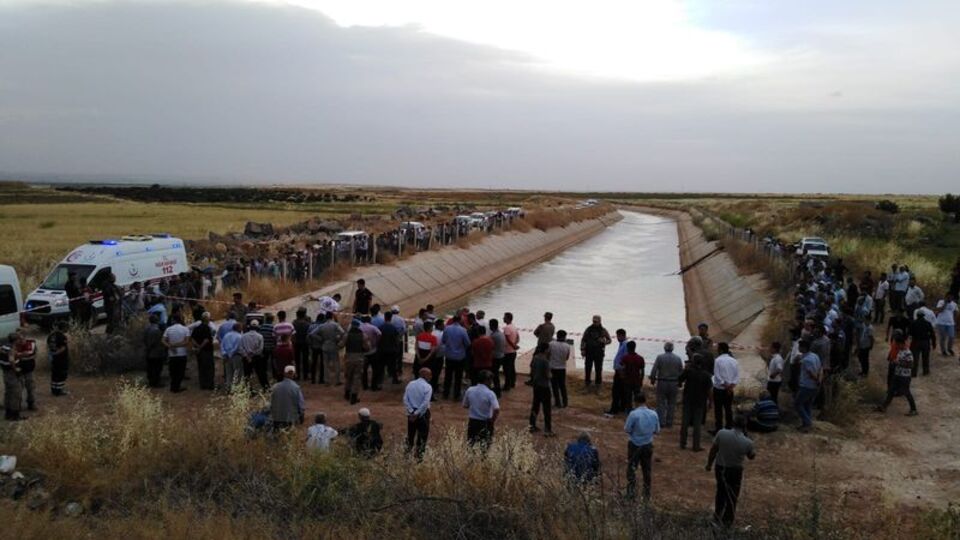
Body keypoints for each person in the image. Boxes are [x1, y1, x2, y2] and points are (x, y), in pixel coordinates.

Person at [706, 415, 756, 528]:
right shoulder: (747, 442)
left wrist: (709, 464)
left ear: (733, 423)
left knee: (720, 492)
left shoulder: (722, 433)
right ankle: (728, 521)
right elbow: (751, 456)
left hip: (720, 467)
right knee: (733, 495)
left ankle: (717, 516)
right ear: (745, 427)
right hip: (736, 470)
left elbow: (713, 450)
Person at [624, 392, 660, 500]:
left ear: (636, 402)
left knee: (632, 469)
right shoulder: (653, 414)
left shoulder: (633, 414)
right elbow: (657, 430)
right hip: (648, 444)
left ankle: (631, 493)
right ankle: (646, 494)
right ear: (645, 401)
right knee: (647, 470)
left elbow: (627, 429)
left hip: (635, 444)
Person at [877, 334, 918, 416]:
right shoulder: (901, 351)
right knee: (891, 391)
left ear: (902, 343)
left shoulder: (908, 353)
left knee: (906, 392)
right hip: (898, 374)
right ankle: (884, 406)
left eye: (898, 344)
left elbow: (910, 365)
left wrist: (898, 363)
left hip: (905, 376)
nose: (897, 346)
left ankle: (914, 409)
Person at [679, 356, 712, 451]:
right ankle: (696, 446)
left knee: (685, 422)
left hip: (688, 400)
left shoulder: (688, 371)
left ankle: (682, 443)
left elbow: (679, 380)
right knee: (697, 425)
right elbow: (710, 390)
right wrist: (710, 402)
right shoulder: (706, 375)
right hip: (700, 402)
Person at [463, 370, 500, 448]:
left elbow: (465, 405)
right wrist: (492, 420)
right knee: (485, 447)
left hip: (473, 422)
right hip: (485, 422)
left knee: (471, 445)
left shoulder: (470, 390)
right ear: (487, 380)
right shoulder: (490, 393)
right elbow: (496, 409)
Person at [650, 342, 684, 428]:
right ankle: (669, 422)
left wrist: (653, 379)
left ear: (664, 348)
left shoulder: (660, 357)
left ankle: (661, 422)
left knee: (661, 402)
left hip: (662, 382)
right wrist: (680, 382)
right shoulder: (678, 358)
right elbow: (681, 372)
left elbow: (654, 369)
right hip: (673, 383)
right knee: (672, 403)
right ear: (672, 349)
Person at [404, 367, 433, 459]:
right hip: (422, 414)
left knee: (410, 435)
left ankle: (406, 456)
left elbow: (405, 399)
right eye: (430, 374)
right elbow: (425, 403)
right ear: (425, 375)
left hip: (411, 413)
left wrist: (411, 411)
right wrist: (417, 413)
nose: (431, 376)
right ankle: (419, 458)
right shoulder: (427, 387)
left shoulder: (410, 384)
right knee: (422, 437)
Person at [794, 339, 822, 432]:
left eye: (800, 347)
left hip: (807, 386)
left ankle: (807, 422)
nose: (798, 348)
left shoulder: (806, 360)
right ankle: (806, 424)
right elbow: (819, 369)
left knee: (797, 404)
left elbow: (811, 373)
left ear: (804, 348)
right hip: (814, 387)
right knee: (807, 405)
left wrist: (817, 380)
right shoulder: (814, 356)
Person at [711, 343, 739, 433]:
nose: (717, 350)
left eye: (718, 349)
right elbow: (736, 376)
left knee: (718, 410)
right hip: (730, 389)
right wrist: (730, 387)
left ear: (721, 350)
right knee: (728, 408)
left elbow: (717, 376)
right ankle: (729, 428)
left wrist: (725, 385)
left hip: (719, 389)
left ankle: (719, 429)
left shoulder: (718, 360)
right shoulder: (734, 361)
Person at [341, 319, 370, 404]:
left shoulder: (347, 335)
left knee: (348, 376)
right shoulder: (363, 335)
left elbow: (341, 345)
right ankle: (354, 396)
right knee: (357, 377)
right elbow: (367, 347)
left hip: (349, 357)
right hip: (359, 358)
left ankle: (347, 393)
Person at [442, 317, 471, 400]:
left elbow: (443, 340)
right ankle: (456, 395)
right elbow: (468, 343)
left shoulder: (447, 329)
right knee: (458, 377)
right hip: (459, 357)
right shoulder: (463, 330)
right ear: (459, 321)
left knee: (448, 376)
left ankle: (446, 393)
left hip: (449, 356)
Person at [529, 343, 554, 436]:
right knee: (547, 409)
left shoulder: (535, 357)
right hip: (544, 386)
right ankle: (548, 429)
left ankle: (532, 425)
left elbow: (531, 367)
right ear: (546, 350)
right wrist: (551, 375)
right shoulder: (545, 361)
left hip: (536, 385)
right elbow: (548, 375)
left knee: (535, 406)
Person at [270, 365, 305, 431]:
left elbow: (270, 403)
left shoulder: (275, 387)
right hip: (290, 419)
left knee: (277, 437)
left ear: (284, 374)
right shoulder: (296, 388)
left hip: (276, 418)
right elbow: (301, 405)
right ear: (294, 374)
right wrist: (301, 416)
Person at [162, 315, 191, 393]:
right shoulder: (185, 329)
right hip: (182, 353)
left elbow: (163, 341)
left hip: (172, 354)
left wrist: (170, 346)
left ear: (173, 320)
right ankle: (177, 386)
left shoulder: (168, 329)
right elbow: (187, 342)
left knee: (173, 371)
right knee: (180, 371)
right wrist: (177, 345)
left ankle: (173, 386)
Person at [581, 315, 611, 388]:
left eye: (596, 321)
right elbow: (583, 340)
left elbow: (609, 340)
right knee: (588, 368)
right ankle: (587, 382)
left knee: (598, 369)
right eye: (593, 321)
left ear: (600, 321)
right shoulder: (588, 329)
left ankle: (598, 383)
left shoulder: (603, 330)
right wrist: (582, 349)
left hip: (599, 353)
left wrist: (604, 341)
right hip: (589, 352)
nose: (594, 323)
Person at [316, 312, 346, 385]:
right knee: (336, 363)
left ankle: (327, 381)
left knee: (326, 364)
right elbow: (343, 333)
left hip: (325, 346)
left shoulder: (322, 326)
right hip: (333, 346)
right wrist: (338, 339)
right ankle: (337, 380)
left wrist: (320, 339)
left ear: (326, 317)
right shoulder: (335, 325)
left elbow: (312, 334)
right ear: (332, 317)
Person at [604, 329, 629, 416]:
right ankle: (621, 407)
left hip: (621, 371)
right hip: (620, 371)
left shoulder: (625, 345)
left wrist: (622, 370)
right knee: (621, 391)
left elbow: (625, 359)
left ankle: (614, 409)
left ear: (621, 335)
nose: (617, 338)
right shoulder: (622, 344)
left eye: (618, 336)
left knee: (616, 391)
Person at [190, 312, 216, 390]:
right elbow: (206, 340)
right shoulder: (207, 328)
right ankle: (210, 385)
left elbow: (192, 338)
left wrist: (197, 347)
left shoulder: (197, 328)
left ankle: (203, 384)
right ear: (207, 319)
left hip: (199, 352)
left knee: (201, 367)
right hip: (207, 350)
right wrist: (200, 347)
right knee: (209, 368)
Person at [240, 319, 268, 391]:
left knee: (247, 375)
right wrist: (253, 354)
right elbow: (260, 349)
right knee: (261, 373)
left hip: (246, 359)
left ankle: (248, 390)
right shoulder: (260, 336)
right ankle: (265, 387)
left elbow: (241, 348)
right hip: (257, 358)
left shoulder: (243, 336)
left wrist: (247, 356)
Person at [908, 309, 936, 377]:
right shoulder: (928, 323)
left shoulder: (913, 323)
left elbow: (909, 333)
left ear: (917, 315)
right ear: (924, 316)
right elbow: (932, 334)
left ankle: (914, 373)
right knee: (925, 358)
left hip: (915, 342)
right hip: (925, 342)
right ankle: (925, 371)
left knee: (915, 359)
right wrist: (934, 343)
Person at [548, 330, 572, 408]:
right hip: (562, 368)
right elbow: (567, 358)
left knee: (554, 386)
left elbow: (548, 354)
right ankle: (565, 402)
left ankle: (557, 402)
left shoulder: (551, 344)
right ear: (564, 337)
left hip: (553, 367)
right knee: (562, 386)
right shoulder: (567, 346)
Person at [47, 321, 70, 396]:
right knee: (62, 374)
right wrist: (56, 354)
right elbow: (63, 348)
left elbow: (48, 346)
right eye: (67, 328)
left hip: (53, 358)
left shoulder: (51, 335)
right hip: (61, 359)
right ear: (64, 328)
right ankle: (59, 390)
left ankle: (54, 389)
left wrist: (52, 354)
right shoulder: (62, 336)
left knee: (55, 374)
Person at [621, 341, 645, 410]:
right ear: (635, 347)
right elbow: (642, 371)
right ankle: (637, 410)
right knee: (637, 397)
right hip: (637, 381)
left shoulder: (625, 358)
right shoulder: (640, 358)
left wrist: (623, 378)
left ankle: (629, 410)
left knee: (628, 397)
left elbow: (622, 369)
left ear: (627, 348)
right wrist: (641, 380)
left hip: (627, 381)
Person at [221, 321, 243, 392]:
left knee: (229, 373)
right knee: (237, 373)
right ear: (239, 329)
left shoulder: (226, 335)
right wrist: (231, 354)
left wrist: (225, 354)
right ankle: (237, 389)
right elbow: (237, 347)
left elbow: (222, 345)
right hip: (236, 356)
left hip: (226, 356)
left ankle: (228, 388)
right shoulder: (239, 336)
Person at [501, 312, 519, 391]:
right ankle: (512, 382)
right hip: (513, 352)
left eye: (504, 317)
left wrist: (513, 345)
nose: (503, 318)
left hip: (507, 351)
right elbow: (518, 337)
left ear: (508, 318)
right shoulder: (514, 326)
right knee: (512, 367)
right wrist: (515, 344)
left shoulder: (507, 328)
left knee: (506, 369)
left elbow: (507, 338)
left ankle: (507, 385)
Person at [293, 308, 312, 381]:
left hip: (296, 343)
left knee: (297, 360)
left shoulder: (294, 323)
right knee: (305, 360)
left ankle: (297, 375)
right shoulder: (307, 324)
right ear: (304, 315)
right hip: (305, 343)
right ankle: (305, 376)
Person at [488, 319, 506, 396]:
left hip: (495, 357)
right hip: (501, 356)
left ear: (492, 326)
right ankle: (496, 389)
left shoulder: (493, 336)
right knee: (495, 374)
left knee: (494, 374)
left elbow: (489, 347)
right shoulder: (501, 334)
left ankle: (497, 391)